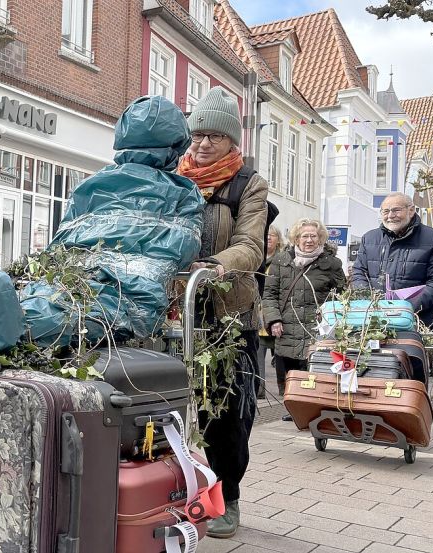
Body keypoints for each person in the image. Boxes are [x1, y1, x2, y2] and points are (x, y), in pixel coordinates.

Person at [176, 87, 267, 539]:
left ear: (232, 141)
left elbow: (251, 245)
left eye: (214, 136)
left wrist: (213, 267)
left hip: (229, 317)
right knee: (170, 408)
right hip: (178, 313)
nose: (203, 144)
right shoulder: (175, 176)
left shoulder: (247, 183)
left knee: (225, 416)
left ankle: (227, 497)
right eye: (197, 135)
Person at [262, 219, 346, 420]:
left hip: (317, 327)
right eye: (304, 236)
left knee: (315, 368)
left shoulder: (332, 264)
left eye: (313, 236)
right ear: (296, 238)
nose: (309, 240)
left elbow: (343, 296)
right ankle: (294, 407)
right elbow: (270, 294)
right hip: (287, 326)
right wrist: (274, 320)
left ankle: (315, 410)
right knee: (290, 370)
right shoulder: (281, 260)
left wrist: (332, 319)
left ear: (321, 238)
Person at [351, 192, 433, 328]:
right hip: (374, 321)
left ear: (411, 210)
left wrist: (407, 307)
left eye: (396, 210)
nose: (390, 216)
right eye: (385, 211)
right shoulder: (369, 239)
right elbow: (358, 273)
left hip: (418, 323)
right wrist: (368, 300)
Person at [256, 225, 283, 399]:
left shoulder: (282, 260)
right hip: (258, 315)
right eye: (264, 235)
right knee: (258, 354)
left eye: (271, 235)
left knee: (281, 357)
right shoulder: (256, 259)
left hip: (277, 315)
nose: (267, 238)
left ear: (278, 239)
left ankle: (285, 392)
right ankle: (258, 390)